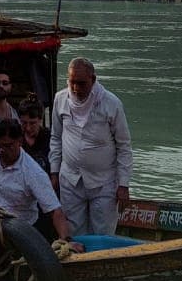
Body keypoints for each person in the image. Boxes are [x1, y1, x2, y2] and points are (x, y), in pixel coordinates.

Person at [49, 56, 133, 237]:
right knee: (73, 233)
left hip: (104, 182)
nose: (76, 88)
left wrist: (123, 184)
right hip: (70, 179)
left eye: (81, 83)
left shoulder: (111, 103)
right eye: (72, 82)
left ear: (93, 79)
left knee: (103, 233)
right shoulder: (60, 99)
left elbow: (124, 146)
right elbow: (55, 137)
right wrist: (54, 172)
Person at [0, 118, 71, 240]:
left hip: (21, 230)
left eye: (8, 146)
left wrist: (66, 240)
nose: (2, 150)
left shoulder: (33, 172)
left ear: (20, 142)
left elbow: (55, 210)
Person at [18, 98, 51, 171]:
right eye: (24, 123)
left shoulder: (50, 138)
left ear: (40, 120)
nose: (28, 128)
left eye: (32, 123)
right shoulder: (16, 138)